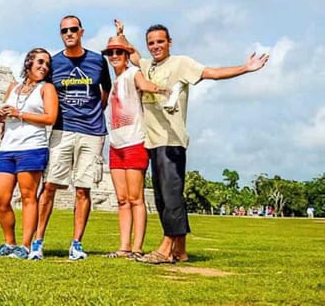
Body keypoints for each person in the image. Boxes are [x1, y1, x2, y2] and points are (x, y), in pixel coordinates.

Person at [136, 23, 268, 264]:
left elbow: (213, 73)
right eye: (151, 42)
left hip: (172, 142)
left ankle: (165, 249)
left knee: (171, 197)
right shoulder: (148, 66)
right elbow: (132, 55)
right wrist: (121, 34)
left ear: (169, 42)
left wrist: (246, 68)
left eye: (160, 41)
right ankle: (181, 251)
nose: (155, 46)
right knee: (163, 198)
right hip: (153, 142)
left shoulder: (181, 63)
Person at [30, 15, 111, 261]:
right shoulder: (54, 63)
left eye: (73, 29)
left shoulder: (97, 60)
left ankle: (76, 244)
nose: (69, 33)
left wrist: (95, 112)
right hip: (62, 130)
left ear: (82, 31)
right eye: (64, 30)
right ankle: (38, 241)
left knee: (83, 189)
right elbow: (39, 90)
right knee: (50, 186)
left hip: (92, 131)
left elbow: (105, 90)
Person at [101, 25, 168, 259]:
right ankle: (124, 247)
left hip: (134, 143)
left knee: (135, 198)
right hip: (115, 145)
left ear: (126, 54)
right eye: (110, 53)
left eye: (118, 52)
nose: (114, 57)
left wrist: (159, 89)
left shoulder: (132, 73)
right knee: (121, 199)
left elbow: (143, 84)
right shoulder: (114, 83)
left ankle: (137, 247)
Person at [0, 48, 58, 259]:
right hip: (8, 148)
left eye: (47, 64)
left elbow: (50, 118)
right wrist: (0, 114)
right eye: (40, 62)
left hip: (32, 147)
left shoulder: (47, 88)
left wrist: (20, 113)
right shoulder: (13, 87)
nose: (44, 67)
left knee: (29, 197)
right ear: (28, 63)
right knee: (0, 198)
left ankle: (25, 246)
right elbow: (5, 116)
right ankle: (9, 242)